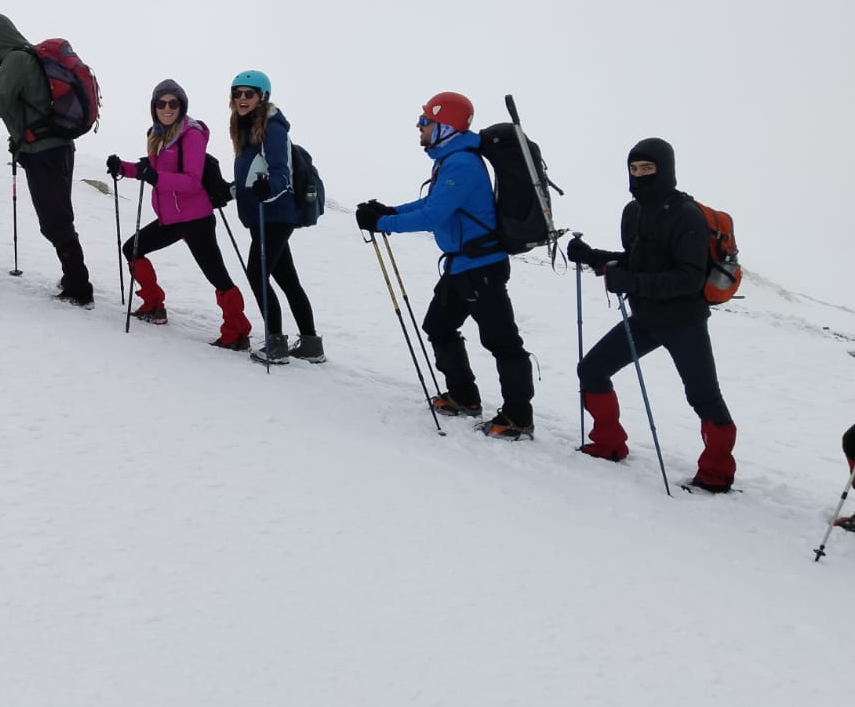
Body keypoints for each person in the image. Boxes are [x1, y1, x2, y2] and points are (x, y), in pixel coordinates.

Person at [356, 92, 535, 437]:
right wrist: (390, 211)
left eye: (425, 121)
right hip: (462, 266)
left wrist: (381, 223)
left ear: (445, 127)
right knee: (438, 327)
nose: (419, 126)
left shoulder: (462, 164)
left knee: (502, 342)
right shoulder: (451, 159)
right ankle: (464, 397)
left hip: (481, 267)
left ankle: (518, 417)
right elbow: (433, 203)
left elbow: (434, 214)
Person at [565, 138, 738, 491]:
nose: (640, 175)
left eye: (648, 168)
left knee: (703, 395)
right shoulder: (634, 211)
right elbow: (636, 261)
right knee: (592, 369)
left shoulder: (686, 215)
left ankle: (717, 474)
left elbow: (689, 278)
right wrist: (593, 256)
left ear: (666, 170)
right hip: (646, 318)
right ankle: (608, 444)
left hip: (683, 320)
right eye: (634, 168)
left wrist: (632, 281)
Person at [0, 12, 93, 305]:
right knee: (59, 217)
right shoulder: (27, 58)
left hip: (45, 152)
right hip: (55, 148)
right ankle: (73, 278)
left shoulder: (15, 61)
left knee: (55, 222)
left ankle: (79, 287)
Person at [106, 78, 252, 349]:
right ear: (154, 107)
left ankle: (238, 332)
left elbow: (191, 181)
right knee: (132, 249)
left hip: (196, 219)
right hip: (171, 218)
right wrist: (121, 168)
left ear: (182, 106)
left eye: (173, 103)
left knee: (217, 276)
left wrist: (156, 177)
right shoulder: (158, 134)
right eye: (161, 103)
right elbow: (149, 169)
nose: (167, 107)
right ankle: (153, 306)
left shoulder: (191, 135)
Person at [228, 70, 323, 364]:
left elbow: (281, 173)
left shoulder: (273, 127)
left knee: (256, 273)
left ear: (262, 96)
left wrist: (268, 188)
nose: (242, 99)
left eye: (249, 93)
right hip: (262, 215)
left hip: (276, 214)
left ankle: (276, 343)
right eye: (237, 93)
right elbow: (252, 175)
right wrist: (229, 190)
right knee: (287, 279)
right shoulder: (243, 128)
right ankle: (310, 345)